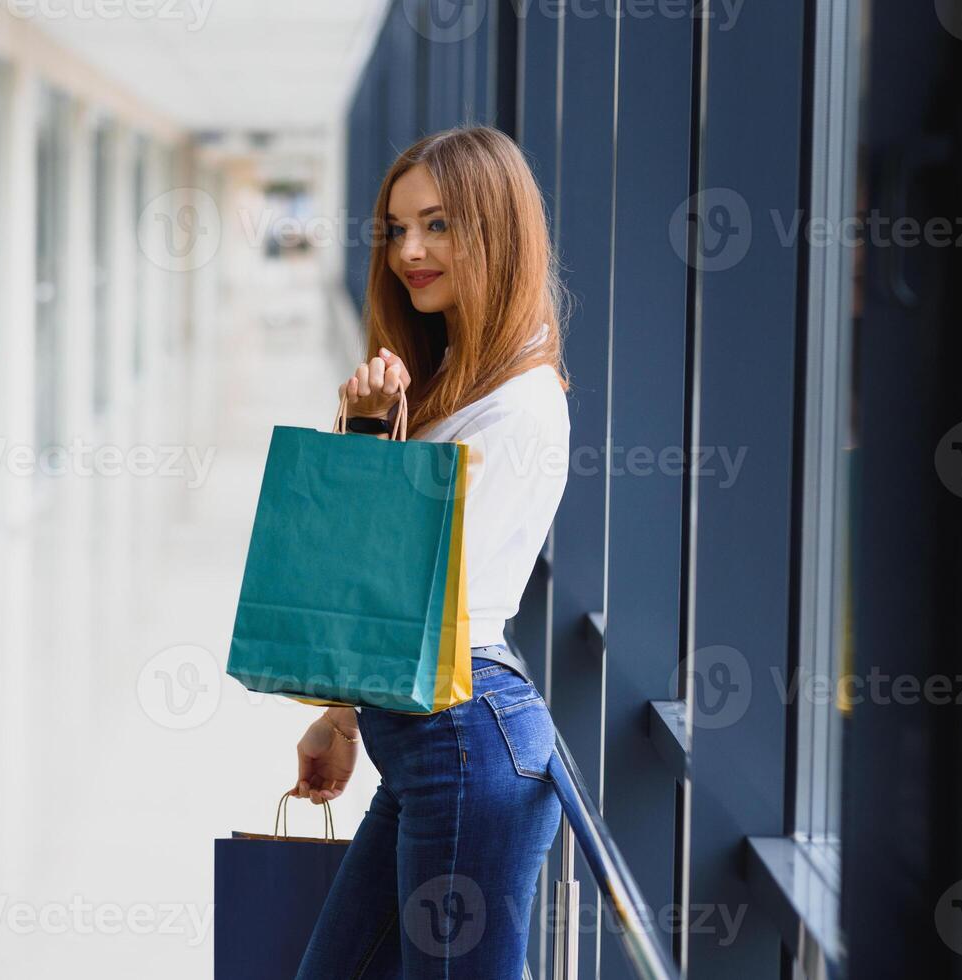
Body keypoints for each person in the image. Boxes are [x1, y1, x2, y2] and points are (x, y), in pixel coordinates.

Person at [290, 126, 572, 979]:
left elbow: (399, 591)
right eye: (397, 227)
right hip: (427, 737)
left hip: (464, 734)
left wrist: (362, 449)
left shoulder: (516, 407)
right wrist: (345, 719)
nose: (410, 249)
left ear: (498, 232)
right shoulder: (457, 377)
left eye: (440, 225)